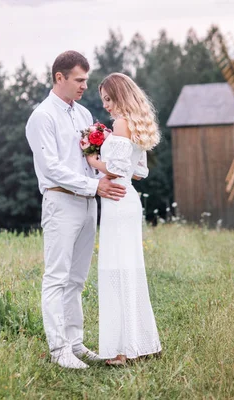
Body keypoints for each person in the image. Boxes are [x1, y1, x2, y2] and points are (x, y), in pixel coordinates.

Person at [25, 51, 127, 369]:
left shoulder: (83, 116)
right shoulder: (42, 117)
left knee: (77, 279)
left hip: (88, 204)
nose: (85, 85)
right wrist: (94, 186)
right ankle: (59, 350)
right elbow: (51, 168)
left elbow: (90, 160)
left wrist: (110, 178)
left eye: (86, 79)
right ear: (60, 78)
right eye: (79, 80)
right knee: (57, 276)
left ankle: (76, 343)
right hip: (60, 203)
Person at [83, 72, 162, 366]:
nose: (105, 105)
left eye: (107, 98)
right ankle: (141, 343)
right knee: (130, 270)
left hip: (116, 200)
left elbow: (114, 169)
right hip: (129, 200)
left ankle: (122, 351)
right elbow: (141, 171)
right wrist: (117, 161)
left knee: (115, 272)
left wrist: (90, 155)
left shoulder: (120, 123)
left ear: (119, 96)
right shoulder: (137, 125)